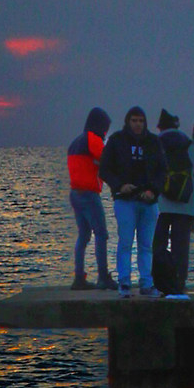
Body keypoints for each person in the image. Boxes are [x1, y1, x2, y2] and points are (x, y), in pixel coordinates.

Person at [100, 105, 166, 295]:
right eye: (134, 120)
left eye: (141, 121)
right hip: (125, 201)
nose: (137, 124)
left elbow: (163, 170)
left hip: (149, 202)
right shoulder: (116, 141)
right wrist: (120, 185)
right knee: (125, 243)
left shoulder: (154, 142)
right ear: (128, 122)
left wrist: (154, 191)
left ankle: (146, 283)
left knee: (146, 245)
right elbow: (104, 169)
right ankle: (125, 283)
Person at [152, 108, 194, 295]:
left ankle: (159, 280)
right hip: (188, 203)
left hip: (164, 204)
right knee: (181, 244)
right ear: (177, 126)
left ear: (160, 128)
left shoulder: (154, 144)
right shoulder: (189, 144)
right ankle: (179, 282)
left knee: (159, 243)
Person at [66, 106, 115, 289]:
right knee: (101, 234)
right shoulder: (92, 139)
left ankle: (79, 278)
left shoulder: (74, 143)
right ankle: (103, 277)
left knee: (84, 236)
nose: (105, 132)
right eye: (105, 128)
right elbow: (107, 159)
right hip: (89, 194)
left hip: (75, 194)